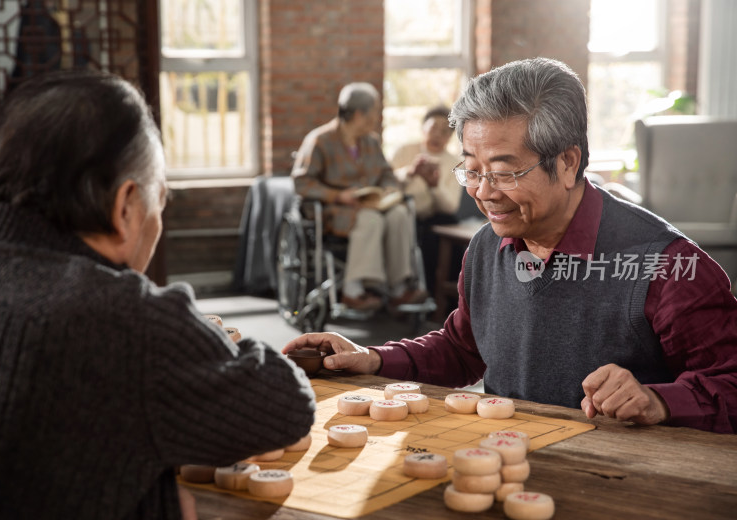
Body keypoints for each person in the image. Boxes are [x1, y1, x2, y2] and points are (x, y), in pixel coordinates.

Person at [0, 69, 316, 520]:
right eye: (162, 200)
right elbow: (287, 406)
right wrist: (202, 332)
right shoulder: (127, 320)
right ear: (125, 207)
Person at [283, 58, 737, 434]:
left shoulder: (668, 266)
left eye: (504, 172)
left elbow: (731, 383)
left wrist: (658, 399)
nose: (483, 192)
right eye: (471, 170)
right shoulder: (486, 247)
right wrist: (374, 359)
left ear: (567, 162)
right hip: (506, 463)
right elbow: (463, 350)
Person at [292, 82, 427, 312]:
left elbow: (386, 174)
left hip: (372, 205)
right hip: (334, 211)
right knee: (369, 219)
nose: (376, 117)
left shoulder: (371, 141)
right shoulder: (320, 141)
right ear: (358, 114)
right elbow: (301, 183)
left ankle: (397, 288)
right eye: (374, 112)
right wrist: (338, 195)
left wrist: (389, 189)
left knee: (399, 214)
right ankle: (353, 290)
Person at [389, 105, 465, 293]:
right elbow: (386, 186)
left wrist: (434, 186)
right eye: (433, 129)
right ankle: (404, 290)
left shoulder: (455, 163)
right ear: (423, 128)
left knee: (444, 229)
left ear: (450, 136)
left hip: (433, 216)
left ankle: (444, 297)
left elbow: (450, 207)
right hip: (402, 211)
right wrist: (410, 172)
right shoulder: (405, 151)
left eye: (445, 131)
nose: (438, 135)